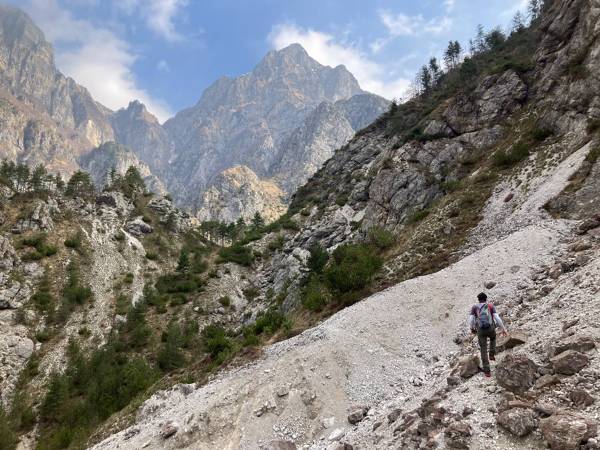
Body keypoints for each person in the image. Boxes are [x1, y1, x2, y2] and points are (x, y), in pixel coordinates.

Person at [468, 292, 508, 377]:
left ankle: (487, 371)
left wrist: (472, 328)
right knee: (493, 338)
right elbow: (497, 318)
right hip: (490, 328)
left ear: (478, 300)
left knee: (483, 349)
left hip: (480, 330)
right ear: (486, 299)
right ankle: (492, 355)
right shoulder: (490, 306)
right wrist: (503, 329)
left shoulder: (475, 307)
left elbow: (471, 320)